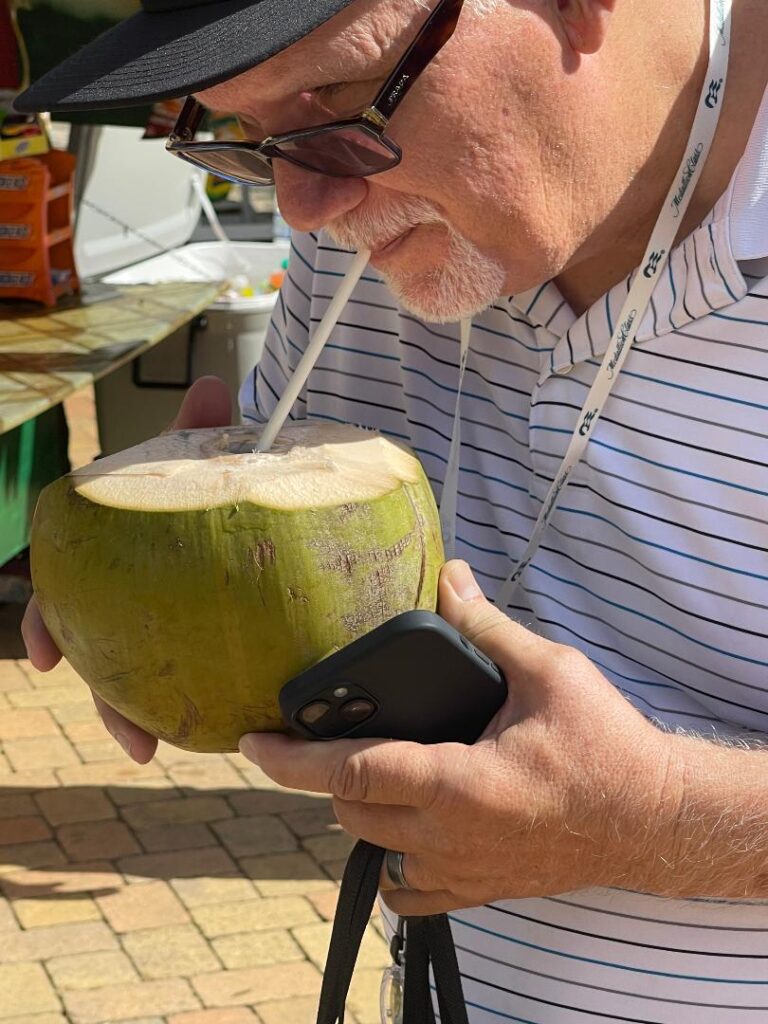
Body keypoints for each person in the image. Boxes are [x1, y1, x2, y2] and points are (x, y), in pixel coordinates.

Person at [16, 0, 768, 1019]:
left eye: (335, 105)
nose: (304, 208)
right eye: (245, 134)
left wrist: (661, 817)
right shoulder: (361, 223)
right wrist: (160, 594)